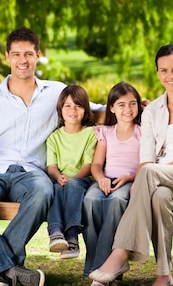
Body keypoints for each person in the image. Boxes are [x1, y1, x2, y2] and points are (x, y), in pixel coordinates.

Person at [0, 27, 102, 286]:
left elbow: (92, 109)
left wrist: (132, 105)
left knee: (44, 193)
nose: (22, 60)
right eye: (16, 54)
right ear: (7, 56)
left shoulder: (55, 92)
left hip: (32, 174)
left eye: (28, 54)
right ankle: (9, 268)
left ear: (38, 55)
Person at [89, 44, 173, 286]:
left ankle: (120, 253)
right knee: (159, 195)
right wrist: (151, 173)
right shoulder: (152, 112)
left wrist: (159, 170)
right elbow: (146, 156)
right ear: (157, 73)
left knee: (150, 173)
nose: (170, 76)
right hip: (159, 184)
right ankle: (164, 275)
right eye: (163, 70)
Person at [82, 82, 143, 283]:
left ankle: (102, 268)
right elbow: (97, 164)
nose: (128, 109)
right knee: (90, 200)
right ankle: (97, 266)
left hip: (128, 181)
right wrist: (100, 179)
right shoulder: (106, 132)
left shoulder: (142, 133)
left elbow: (146, 164)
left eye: (133, 104)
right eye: (122, 104)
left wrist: (129, 177)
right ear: (111, 108)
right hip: (105, 180)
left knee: (117, 201)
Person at [46, 84, 98, 260]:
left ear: (85, 109)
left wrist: (72, 179)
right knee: (54, 188)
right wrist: (58, 176)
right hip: (60, 180)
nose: (73, 110)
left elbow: (88, 165)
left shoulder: (91, 134)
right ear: (60, 109)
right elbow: (51, 166)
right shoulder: (54, 137)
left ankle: (72, 237)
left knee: (72, 185)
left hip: (81, 180)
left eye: (78, 105)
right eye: (67, 105)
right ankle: (55, 233)